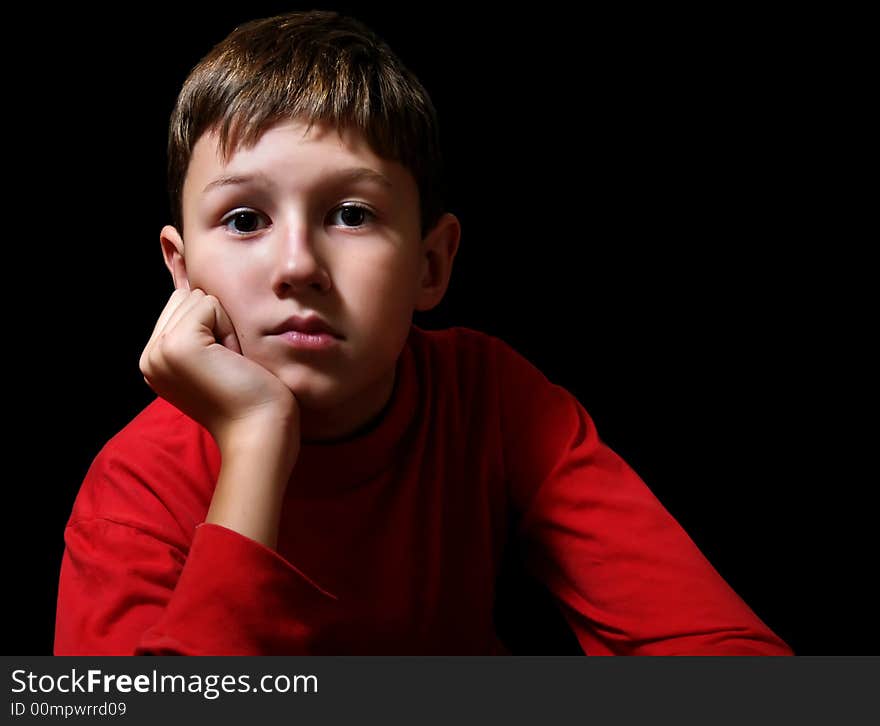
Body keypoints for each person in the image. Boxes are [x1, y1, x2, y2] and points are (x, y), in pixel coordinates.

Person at [53, 9, 793, 656]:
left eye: (351, 214)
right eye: (245, 220)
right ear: (182, 274)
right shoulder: (135, 486)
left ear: (431, 264)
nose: (298, 264)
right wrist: (255, 439)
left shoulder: (490, 399)